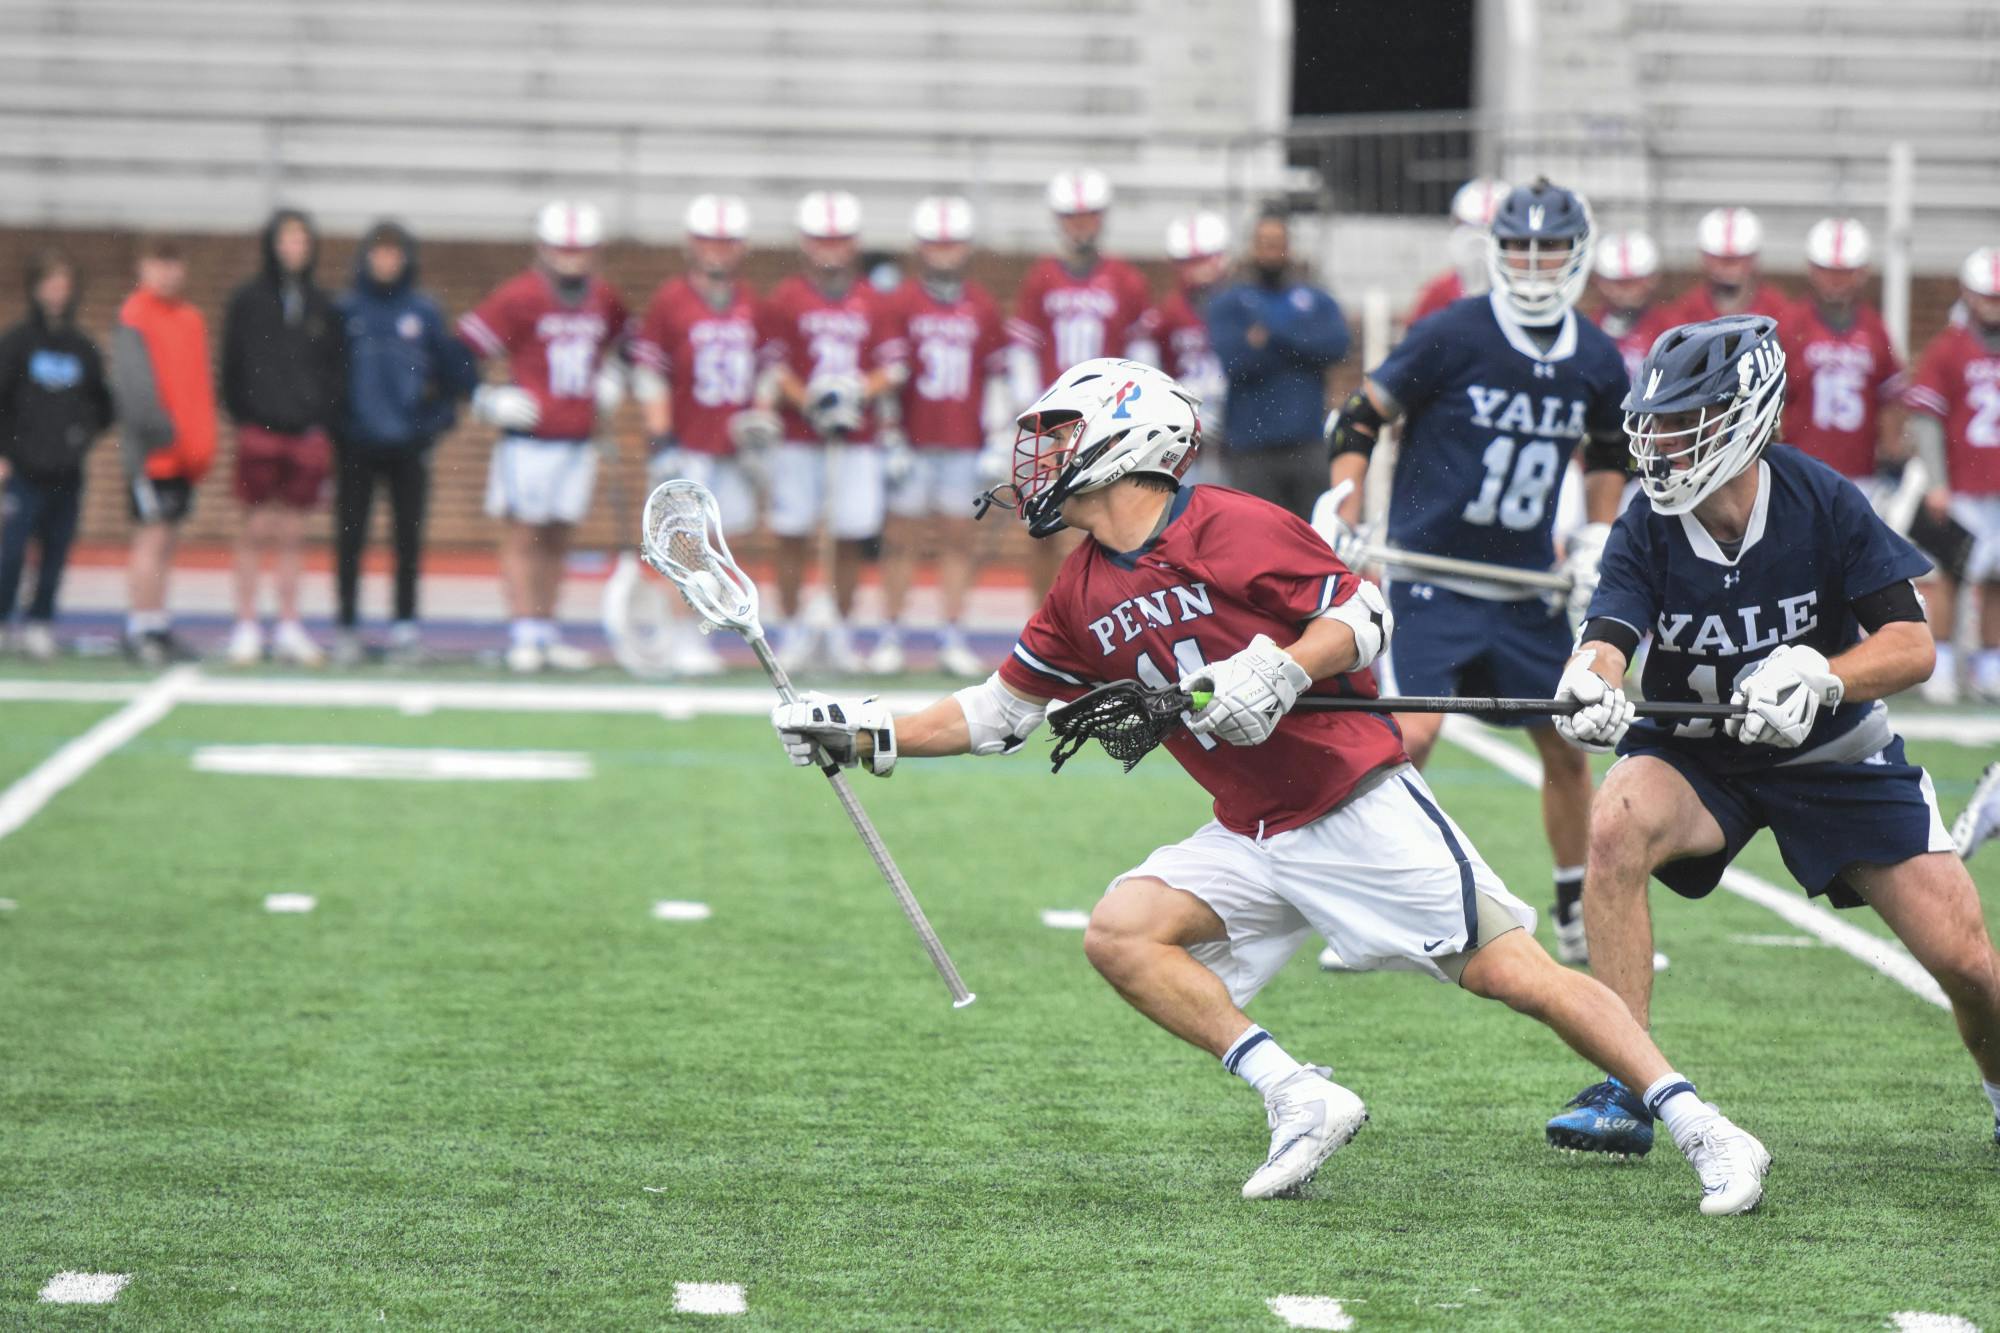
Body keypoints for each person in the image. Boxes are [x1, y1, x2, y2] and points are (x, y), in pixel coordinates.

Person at [775, 357, 1770, 1214]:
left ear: (1129, 436)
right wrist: (857, 725)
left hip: (1350, 806)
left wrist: (1284, 668)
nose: (1036, 456)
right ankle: (1298, 1094)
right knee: (1120, 930)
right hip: (1250, 828)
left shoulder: (1225, 524)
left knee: (1518, 977)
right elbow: (993, 713)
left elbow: (1363, 613)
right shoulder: (1078, 587)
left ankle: (1701, 1124)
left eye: (1061, 432)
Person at [1546, 313, 2000, 1154]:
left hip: (1832, 754)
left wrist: (1824, 672)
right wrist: (1592, 680)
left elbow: (1914, 645)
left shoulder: (1819, 496)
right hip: (1697, 753)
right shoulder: (1647, 520)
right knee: (1614, 822)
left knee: (1971, 966)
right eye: (1659, 420)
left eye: (1686, 421)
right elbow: (1610, 633)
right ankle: (1628, 1084)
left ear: (1747, 414)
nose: (1664, 442)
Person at [1321, 179, 1629, 966]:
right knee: (1412, 733)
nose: (1532, 265)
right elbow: (1361, 416)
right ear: (1494, 252)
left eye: (1548, 249)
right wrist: (1345, 509)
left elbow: (1609, 452)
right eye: (1518, 248)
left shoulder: (1595, 354)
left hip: (1525, 584)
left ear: (1577, 254)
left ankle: (1570, 907)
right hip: (1434, 576)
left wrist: (1597, 531)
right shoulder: (1454, 331)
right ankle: (1365, 905)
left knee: (1567, 746)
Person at [459, 200, 630, 673]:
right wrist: (485, 399)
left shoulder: (604, 297)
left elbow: (630, 344)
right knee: (523, 534)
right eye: (563, 250)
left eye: (579, 250)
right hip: (528, 439)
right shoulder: (519, 296)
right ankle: (522, 631)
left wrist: (614, 377)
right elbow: (459, 352)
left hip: (577, 437)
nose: (571, 259)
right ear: (544, 249)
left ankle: (546, 628)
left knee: (559, 536)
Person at [752, 189, 904, 674]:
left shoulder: (873, 302)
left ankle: (840, 628)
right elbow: (775, 368)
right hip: (800, 436)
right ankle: (791, 627)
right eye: (822, 240)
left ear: (853, 243)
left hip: (856, 437)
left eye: (838, 240)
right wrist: (813, 402)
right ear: (805, 242)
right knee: (792, 533)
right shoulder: (786, 298)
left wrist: (856, 392)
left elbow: (894, 368)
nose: (831, 249)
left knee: (850, 535)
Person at [869, 195, 1008, 678]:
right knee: (900, 539)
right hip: (914, 436)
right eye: (936, 245)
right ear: (920, 248)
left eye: (952, 245)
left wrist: (995, 437)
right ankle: (891, 633)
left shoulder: (983, 306)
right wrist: (890, 437)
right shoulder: (901, 303)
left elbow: (994, 377)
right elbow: (888, 376)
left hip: (964, 439)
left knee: (957, 540)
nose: (944, 253)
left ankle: (951, 634)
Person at [331, 220, 477, 666]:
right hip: (356, 445)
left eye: (394, 253)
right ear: (366, 257)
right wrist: (340, 426)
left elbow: (454, 375)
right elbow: (326, 377)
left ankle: (405, 628)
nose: (386, 261)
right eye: (378, 252)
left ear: (405, 258)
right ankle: (349, 627)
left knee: (407, 540)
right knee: (350, 538)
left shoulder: (424, 312)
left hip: (408, 447)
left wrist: (431, 425)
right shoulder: (346, 310)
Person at [1006, 170, 1157, 602]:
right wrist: (1033, 410)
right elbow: (1023, 351)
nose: (1080, 225)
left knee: (1108, 521)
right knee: (1042, 523)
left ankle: (1099, 613)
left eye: (1088, 216)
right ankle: (1042, 615)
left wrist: (1131, 411)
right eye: (1072, 217)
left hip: (1107, 421)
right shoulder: (1040, 278)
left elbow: (1142, 353)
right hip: (1054, 419)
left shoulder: (1126, 279)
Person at [631, 193, 766, 677]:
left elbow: (765, 371)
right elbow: (651, 375)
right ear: (692, 243)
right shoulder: (671, 300)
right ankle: (681, 634)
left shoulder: (751, 300)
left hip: (731, 449)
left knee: (724, 545)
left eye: (727, 241)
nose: (718, 249)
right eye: (710, 240)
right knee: (684, 548)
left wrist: (760, 429)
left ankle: (703, 631)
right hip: (687, 443)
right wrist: (662, 439)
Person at [220, 207, 347, 666]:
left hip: (306, 434)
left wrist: (320, 418)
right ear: (272, 244)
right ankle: (247, 625)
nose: (293, 249)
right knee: (255, 528)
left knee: (295, 532)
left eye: (302, 242)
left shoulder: (323, 304)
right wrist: (246, 415)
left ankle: (290, 624)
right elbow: (230, 366)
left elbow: (335, 370)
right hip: (259, 430)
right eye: (286, 240)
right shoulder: (248, 300)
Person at [0, 251, 113, 658]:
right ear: (36, 288)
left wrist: (79, 438)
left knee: (55, 551)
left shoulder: (83, 347)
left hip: (67, 470)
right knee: (11, 550)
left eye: (64, 285)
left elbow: (103, 405)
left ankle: (40, 622)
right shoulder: (16, 343)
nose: (57, 293)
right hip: (23, 469)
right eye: (50, 283)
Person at [111, 237, 216, 666]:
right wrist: (162, 431)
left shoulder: (190, 319)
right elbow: (134, 389)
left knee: (168, 538)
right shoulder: (135, 315)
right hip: (152, 452)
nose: (168, 273)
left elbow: (197, 385)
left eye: (175, 264)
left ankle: (157, 622)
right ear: (144, 267)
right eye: (160, 263)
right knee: (150, 537)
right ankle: (140, 626)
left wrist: (197, 442)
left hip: (185, 454)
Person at [1901, 247, 2000, 704]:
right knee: (1946, 576)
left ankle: (1990, 667)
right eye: (1987, 297)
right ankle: (1939, 666)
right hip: (1962, 483)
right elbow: (1925, 419)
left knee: (1997, 579)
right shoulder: (1949, 347)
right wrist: (1937, 480)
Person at [1206, 210, 1351, 518]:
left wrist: (1272, 337)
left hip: (1305, 441)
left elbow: (1336, 346)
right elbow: (1236, 361)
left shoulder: (1315, 298)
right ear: (1251, 246)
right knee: (1253, 536)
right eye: (1264, 242)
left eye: (1277, 242)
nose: (1271, 250)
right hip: (1251, 446)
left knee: (1311, 536)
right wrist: (1301, 344)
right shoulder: (1230, 302)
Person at [1778, 218, 1901, 497]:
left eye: (1844, 272)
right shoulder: (1790, 325)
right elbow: (1773, 402)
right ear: (1811, 269)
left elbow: (1891, 398)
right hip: (1799, 470)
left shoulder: (1874, 327)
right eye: (1827, 271)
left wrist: (1892, 452)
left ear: (1863, 272)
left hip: (1862, 473)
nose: (1835, 281)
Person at [1151, 212, 1232, 481]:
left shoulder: (1239, 305)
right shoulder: (1168, 313)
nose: (1197, 270)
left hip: (1233, 425)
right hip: (1185, 425)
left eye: (1202, 260)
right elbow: (1152, 368)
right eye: (1189, 262)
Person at [1653, 207, 1793, 332]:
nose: (1728, 268)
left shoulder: (1779, 312)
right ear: (1704, 259)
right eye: (1719, 259)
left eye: (1737, 259)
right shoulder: (1685, 313)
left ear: (1754, 259)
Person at [1407, 176, 1509, 326]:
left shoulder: (1531, 296)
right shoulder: (1439, 293)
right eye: (1468, 228)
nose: (1478, 243)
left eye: (1489, 231)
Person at [1587, 229, 1664, 382]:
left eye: (1634, 282)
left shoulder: (1671, 327)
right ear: (1598, 281)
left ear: (1653, 279)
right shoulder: (1588, 331)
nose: (1626, 292)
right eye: (1617, 283)